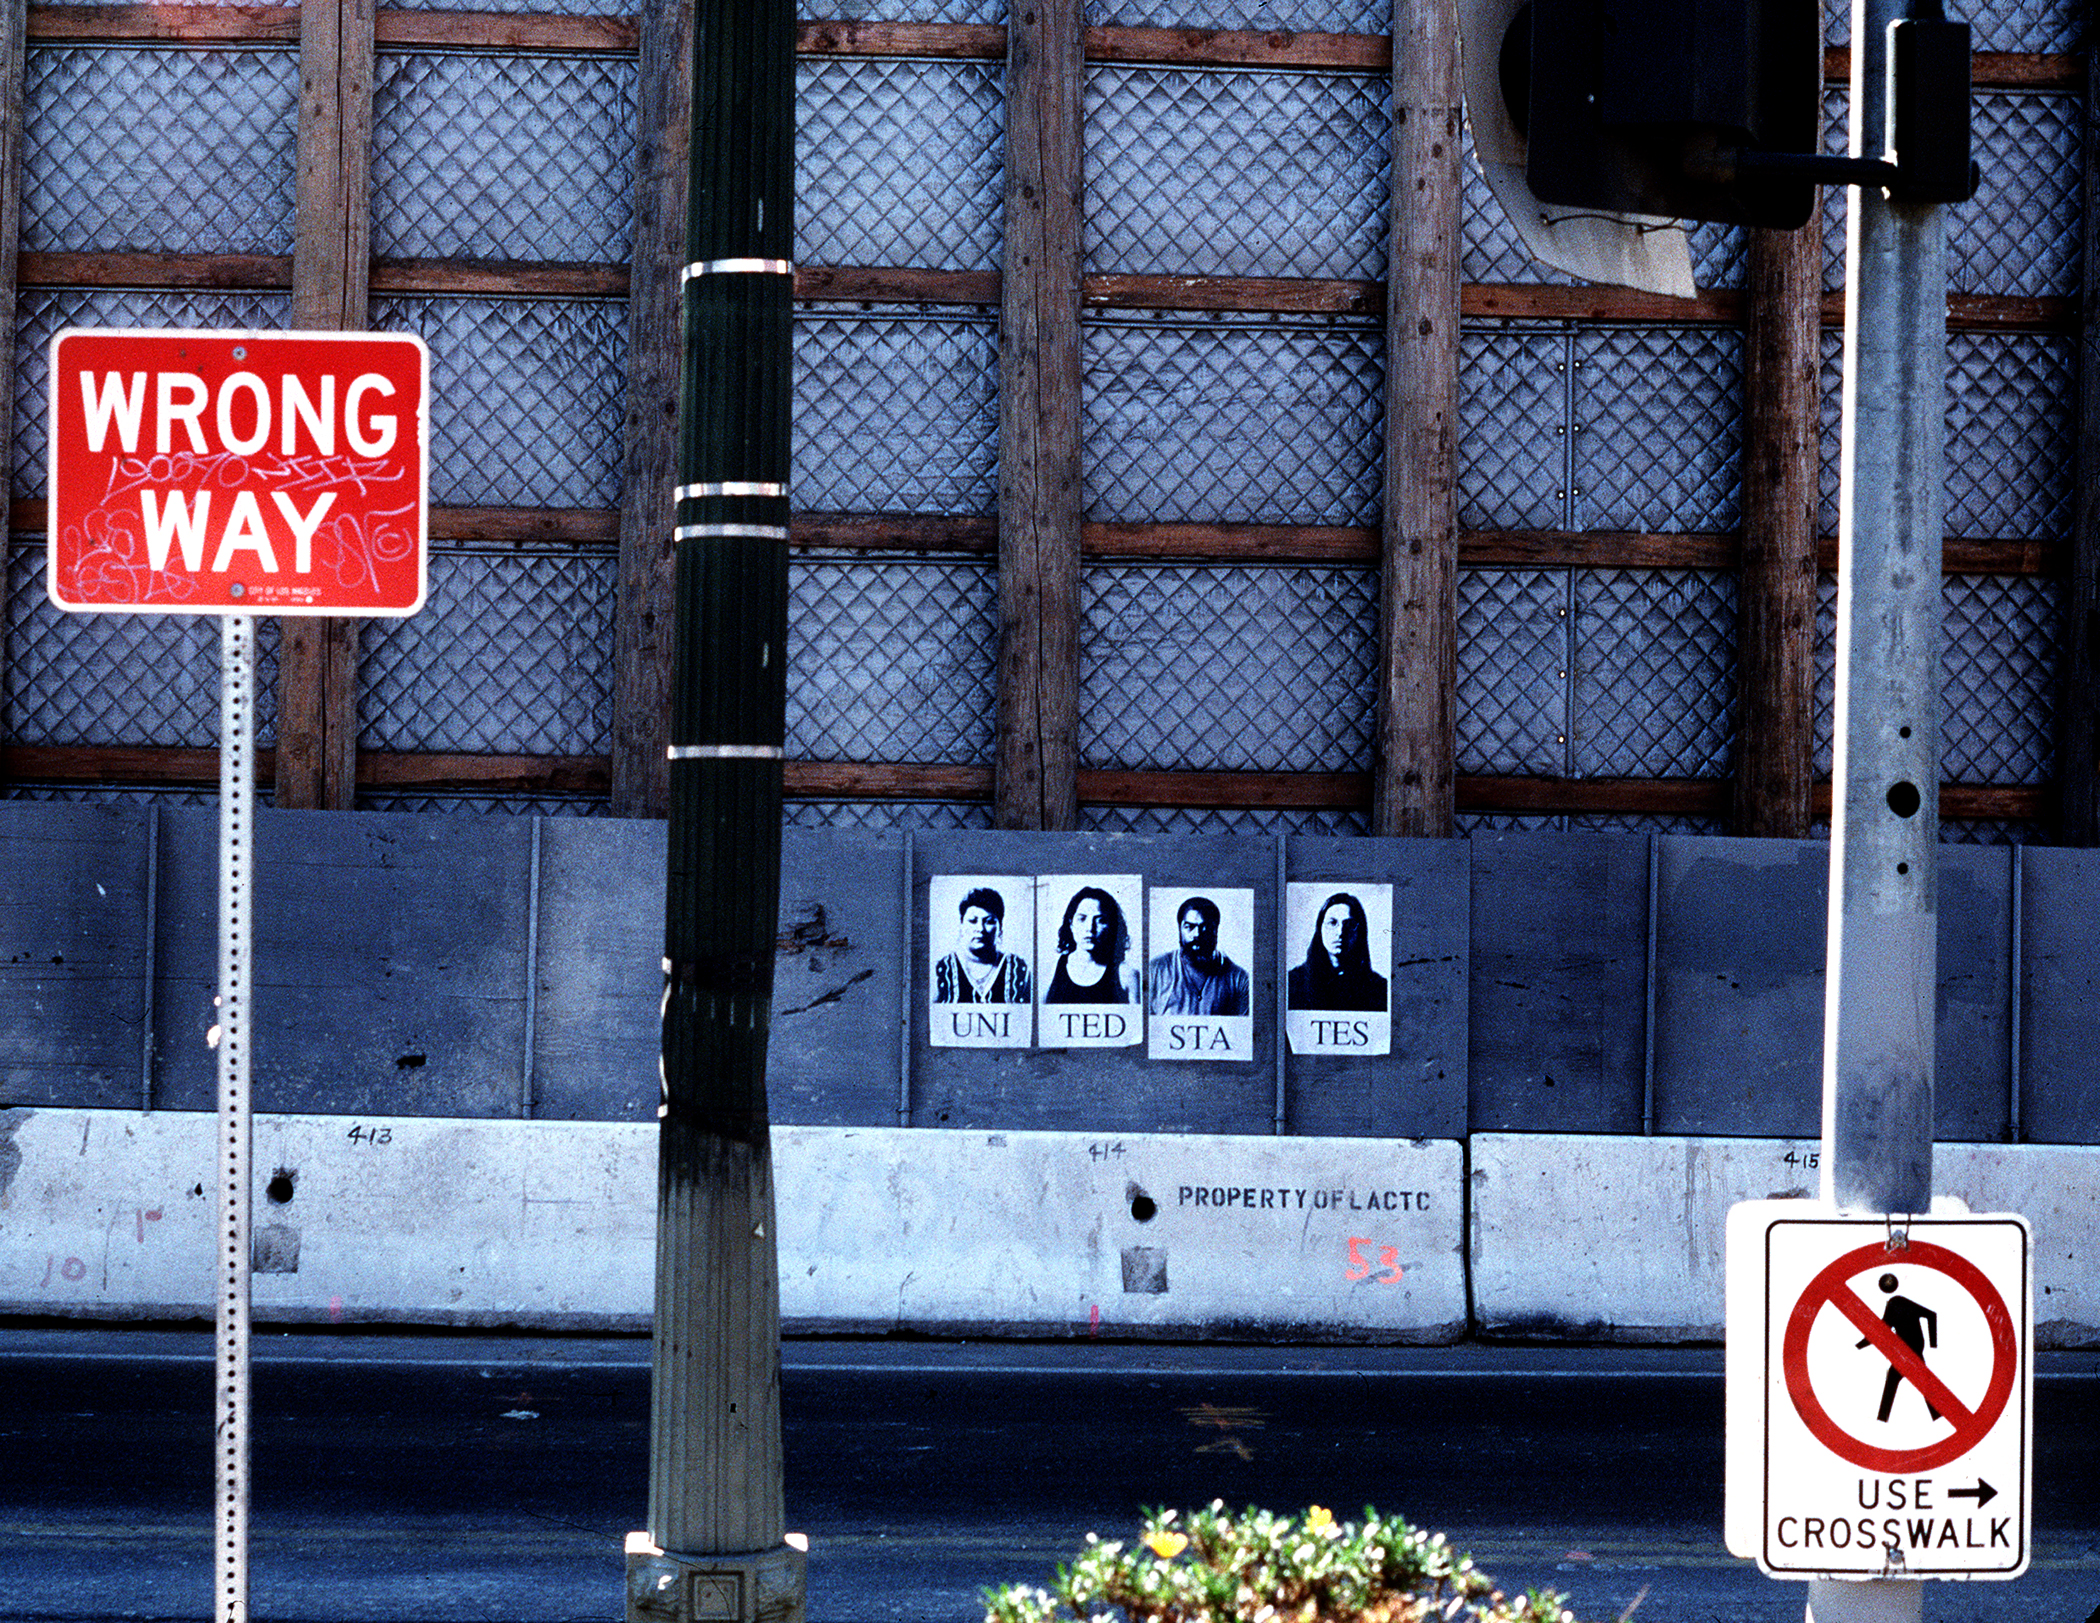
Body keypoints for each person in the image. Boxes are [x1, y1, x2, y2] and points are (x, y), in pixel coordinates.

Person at [1146, 895, 1250, 1016]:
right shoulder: (1155, 970)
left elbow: (1243, 1031)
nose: (1197, 935)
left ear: (1215, 930)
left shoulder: (1238, 978)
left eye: (1205, 927)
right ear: (1179, 928)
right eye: (1189, 927)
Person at [1287, 891, 1388, 1012]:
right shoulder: (1294, 982)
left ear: (1359, 933)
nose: (1340, 932)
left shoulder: (1378, 988)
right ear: (1320, 929)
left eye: (1349, 924)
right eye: (1332, 923)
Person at [932, 886, 1032, 1004]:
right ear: (961, 925)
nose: (980, 929)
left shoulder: (1019, 970)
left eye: (989, 922)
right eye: (973, 921)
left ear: (1000, 928)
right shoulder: (941, 970)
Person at [1043, 886, 1141, 1004]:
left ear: (1111, 927)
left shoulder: (1126, 975)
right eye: (1082, 919)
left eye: (1100, 920)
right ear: (1071, 924)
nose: (1090, 928)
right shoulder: (1050, 971)